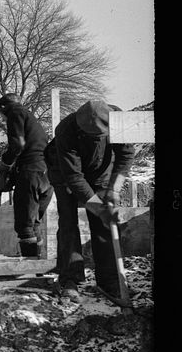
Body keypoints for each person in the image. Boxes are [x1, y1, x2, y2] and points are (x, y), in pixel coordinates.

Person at [46, 100, 135, 304]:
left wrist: (114, 188)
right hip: (64, 172)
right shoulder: (66, 130)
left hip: (101, 172)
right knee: (68, 222)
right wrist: (99, 209)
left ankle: (109, 281)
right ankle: (69, 278)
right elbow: (75, 178)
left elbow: (126, 154)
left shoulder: (119, 119)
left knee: (105, 224)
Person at [0, 94, 54, 257]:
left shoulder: (15, 113)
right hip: (46, 175)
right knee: (34, 223)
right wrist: (1, 187)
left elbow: (17, 146)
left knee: (25, 226)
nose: (2, 119)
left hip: (31, 173)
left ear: (4, 107)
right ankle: (36, 267)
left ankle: (30, 265)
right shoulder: (31, 119)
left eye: (1, 114)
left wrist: (5, 164)